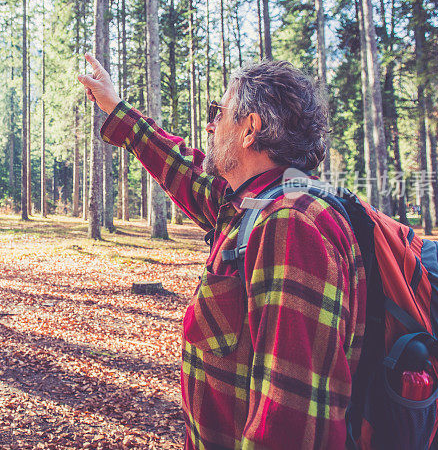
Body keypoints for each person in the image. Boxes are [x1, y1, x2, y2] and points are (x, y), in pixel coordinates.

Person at [78, 53, 366, 449]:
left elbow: (290, 422)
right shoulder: (250, 204)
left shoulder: (290, 224)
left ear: (250, 129)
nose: (210, 125)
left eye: (219, 112)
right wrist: (115, 107)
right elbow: (183, 169)